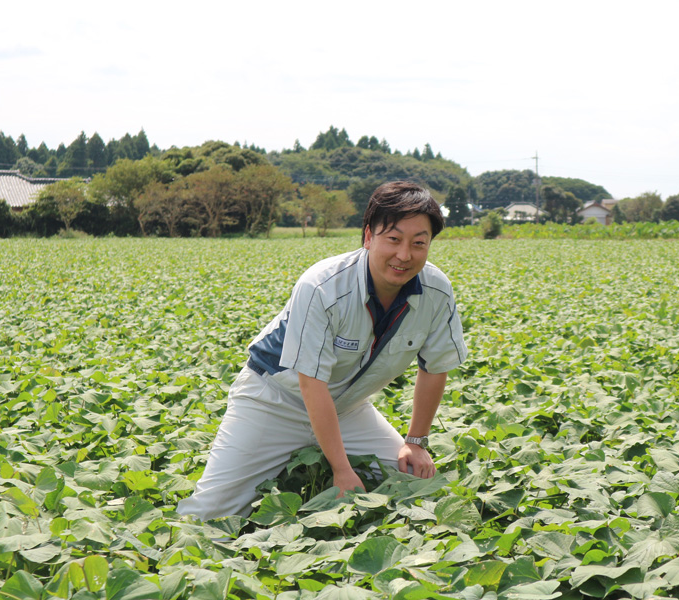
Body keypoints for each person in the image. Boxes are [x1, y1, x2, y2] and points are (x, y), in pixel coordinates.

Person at [177, 181, 468, 521]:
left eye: (419, 243)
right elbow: (310, 383)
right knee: (208, 517)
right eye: (393, 239)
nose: (404, 255)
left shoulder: (437, 292)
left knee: (411, 483)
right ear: (368, 237)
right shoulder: (323, 286)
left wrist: (416, 441)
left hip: (347, 409)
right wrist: (341, 470)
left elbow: (435, 368)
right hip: (274, 400)